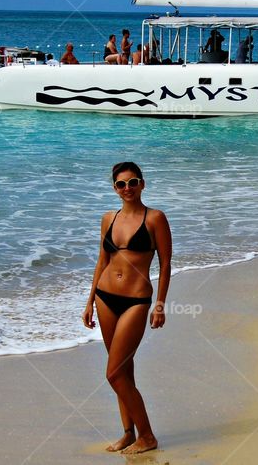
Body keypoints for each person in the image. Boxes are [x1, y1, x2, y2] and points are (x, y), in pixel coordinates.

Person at [83, 162, 172, 455]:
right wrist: (89, 301)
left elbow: (166, 263)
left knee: (114, 373)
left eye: (133, 182)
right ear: (115, 189)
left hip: (136, 300)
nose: (127, 189)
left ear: (142, 184)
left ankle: (147, 436)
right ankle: (128, 433)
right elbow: (102, 261)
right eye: (121, 184)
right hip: (105, 298)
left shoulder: (155, 218)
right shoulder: (108, 218)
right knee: (124, 371)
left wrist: (159, 305)